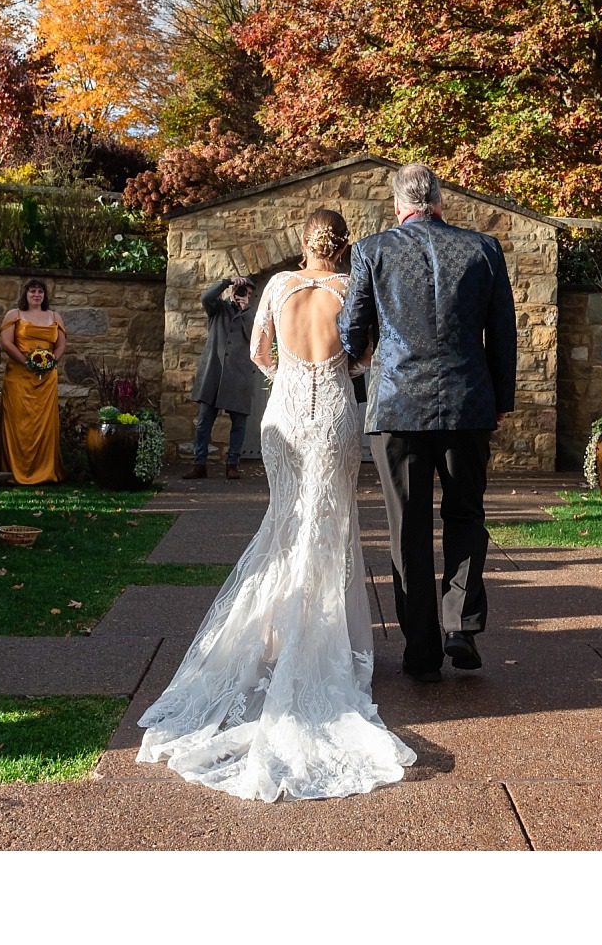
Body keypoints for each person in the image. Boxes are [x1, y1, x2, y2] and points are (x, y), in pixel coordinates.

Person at [139, 207, 416, 800]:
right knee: (330, 525)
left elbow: (259, 352)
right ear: (342, 247)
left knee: (286, 522)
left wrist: (288, 373)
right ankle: (317, 637)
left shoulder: (277, 286)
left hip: (285, 414)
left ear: (304, 242)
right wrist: (333, 366)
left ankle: (272, 635)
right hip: (338, 411)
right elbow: (364, 356)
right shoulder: (351, 288)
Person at [341, 163, 518, 682]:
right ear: (440, 201)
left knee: (408, 528)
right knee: (466, 514)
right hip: (467, 403)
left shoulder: (371, 251)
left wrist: (363, 350)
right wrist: (499, 399)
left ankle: (421, 649)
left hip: (396, 406)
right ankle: (459, 623)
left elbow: (353, 332)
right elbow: (503, 333)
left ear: (399, 205)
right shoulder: (483, 248)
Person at [187, 274, 258, 479]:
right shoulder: (218, 309)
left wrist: (244, 311)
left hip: (239, 375)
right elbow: (205, 298)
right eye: (240, 290)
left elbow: (254, 337)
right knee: (203, 422)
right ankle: (199, 463)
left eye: (247, 292)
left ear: (251, 295)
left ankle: (232, 464)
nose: (243, 294)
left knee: (239, 424)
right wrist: (226, 283)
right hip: (214, 372)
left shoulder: (253, 315)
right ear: (233, 291)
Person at [0, 278, 65, 484]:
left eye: (40, 292)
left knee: (44, 424)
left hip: (46, 378)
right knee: (19, 422)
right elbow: (6, 342)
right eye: (32, 291)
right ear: (25, 294)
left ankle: (45, 471)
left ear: (45, 296)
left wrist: (51, 361)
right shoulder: (14, 315)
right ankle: (15, 472)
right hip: (19, 375)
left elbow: (61, 344)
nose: (36, 295)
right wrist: (26, 362)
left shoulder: (54, 316)